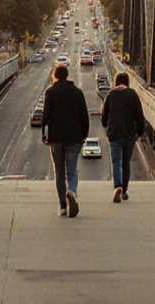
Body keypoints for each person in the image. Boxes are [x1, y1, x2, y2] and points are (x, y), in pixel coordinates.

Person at [41, 63, 89, 217]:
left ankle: (62, 206)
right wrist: (84, 134)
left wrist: (44, 134)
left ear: (55, 75)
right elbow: (84, 116)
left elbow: (46, 116)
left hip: (56, 138)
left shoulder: (51, 92)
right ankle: (72, 191)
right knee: (72, 171)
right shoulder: (77, 93)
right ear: (67, 75)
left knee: (60, 173)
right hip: (74, 137)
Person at [100, 70, 146, 203]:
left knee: (116, 161)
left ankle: (117, 186)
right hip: (129, 134)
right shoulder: (132, 95)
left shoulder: (111, 94)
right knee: (126, 163)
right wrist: (140, 131)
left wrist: (105, 125)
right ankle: (124, 191)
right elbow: (139, 116)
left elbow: (105, 114)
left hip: (114, 133)